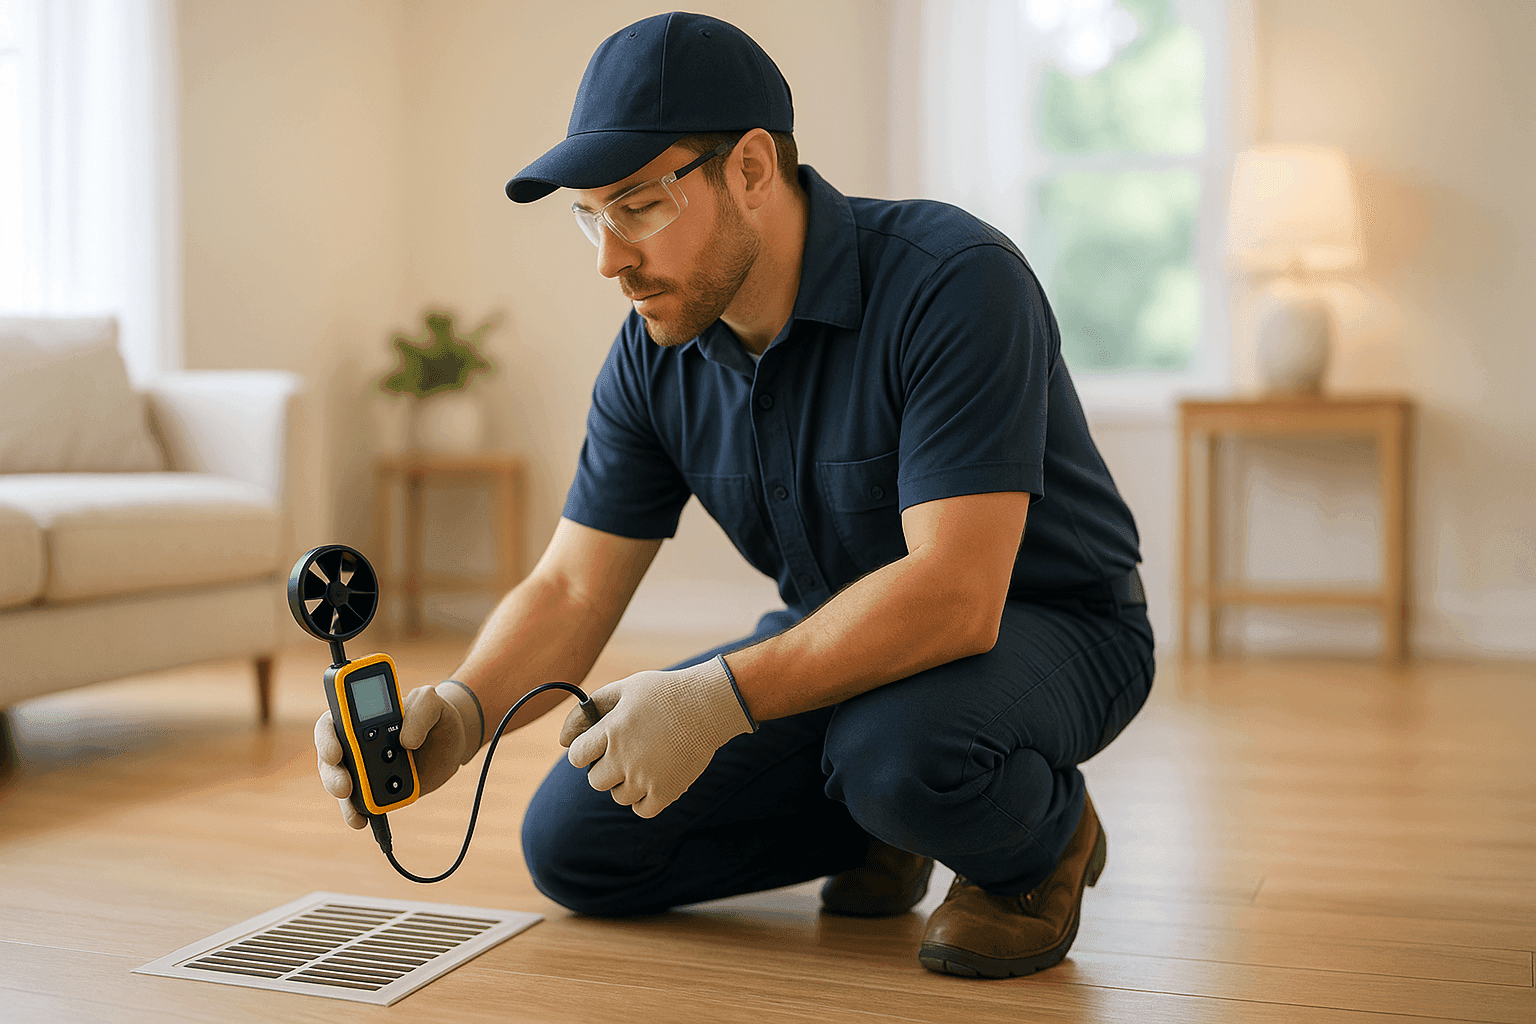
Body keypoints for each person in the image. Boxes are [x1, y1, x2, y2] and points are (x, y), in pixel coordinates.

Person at [315, 11, 1154, 980]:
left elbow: (957, 594)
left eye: (637, 206)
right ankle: (878, 823)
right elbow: (574, 589)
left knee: (899, 755)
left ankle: (1040, 844)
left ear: (752, 168)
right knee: (578, 844)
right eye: (589, 216)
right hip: (842, 646)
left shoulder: (954, 283)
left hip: (1049, 624)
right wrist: (460, 717)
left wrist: (716, 700)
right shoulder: (653, 353)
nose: (608, 259)